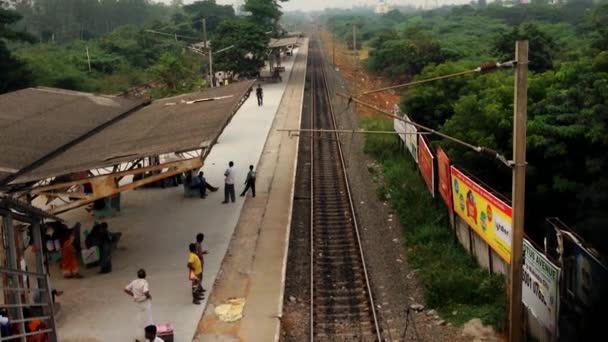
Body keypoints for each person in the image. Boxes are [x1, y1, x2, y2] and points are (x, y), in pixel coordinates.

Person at [125, 269, 153, 342]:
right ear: (145, 275)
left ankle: (139, 337)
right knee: (148, 320)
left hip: (138, 304)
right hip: (145, 303)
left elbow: (126, 289)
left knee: (140, 321)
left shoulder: (134, 282)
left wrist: (133, 295)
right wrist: (148, 296)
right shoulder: (144, 282)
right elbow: (145, 291)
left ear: (137, 275)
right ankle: (147, 337)